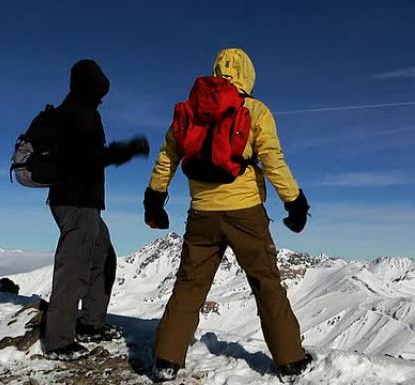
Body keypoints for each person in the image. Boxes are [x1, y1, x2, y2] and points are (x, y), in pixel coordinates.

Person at [143, 48, 312, 383]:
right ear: (248, 75)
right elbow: (273, 161)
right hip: (245, 211)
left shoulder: (190, 110)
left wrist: (155, 199)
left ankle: (166, 360)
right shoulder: (255, 110)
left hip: (202, 212)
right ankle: (290, 360)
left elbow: (167, 158)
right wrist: (295, 203)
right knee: (266, 283)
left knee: (190, 284)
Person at [43, 59, 150, 361]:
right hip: (76, 201)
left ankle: (91, 324)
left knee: (103, 255)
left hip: (79, 202)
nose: (103, 97)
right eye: (100, 91)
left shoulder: (76, 111)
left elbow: (89, 157)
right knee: (74, 266)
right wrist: (128, 150)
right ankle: (59, 340)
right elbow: (92, 159)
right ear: (90, 87)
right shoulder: (80, 114)